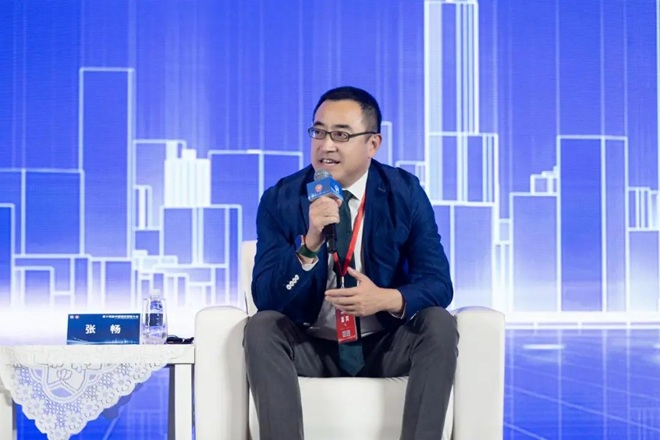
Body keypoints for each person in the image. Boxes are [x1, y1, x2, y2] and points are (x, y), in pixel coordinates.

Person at [244, 86, 457, 440]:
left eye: (341, 135)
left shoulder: (404, 193)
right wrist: (309, 244)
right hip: (311, 345)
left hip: (384, 344)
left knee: (438, 323)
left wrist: (386, 299)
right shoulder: (280, 199)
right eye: (318, 132)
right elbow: (267, 297)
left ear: (373, 144)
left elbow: (438, 284)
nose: (326, 145)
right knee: (262, 327)